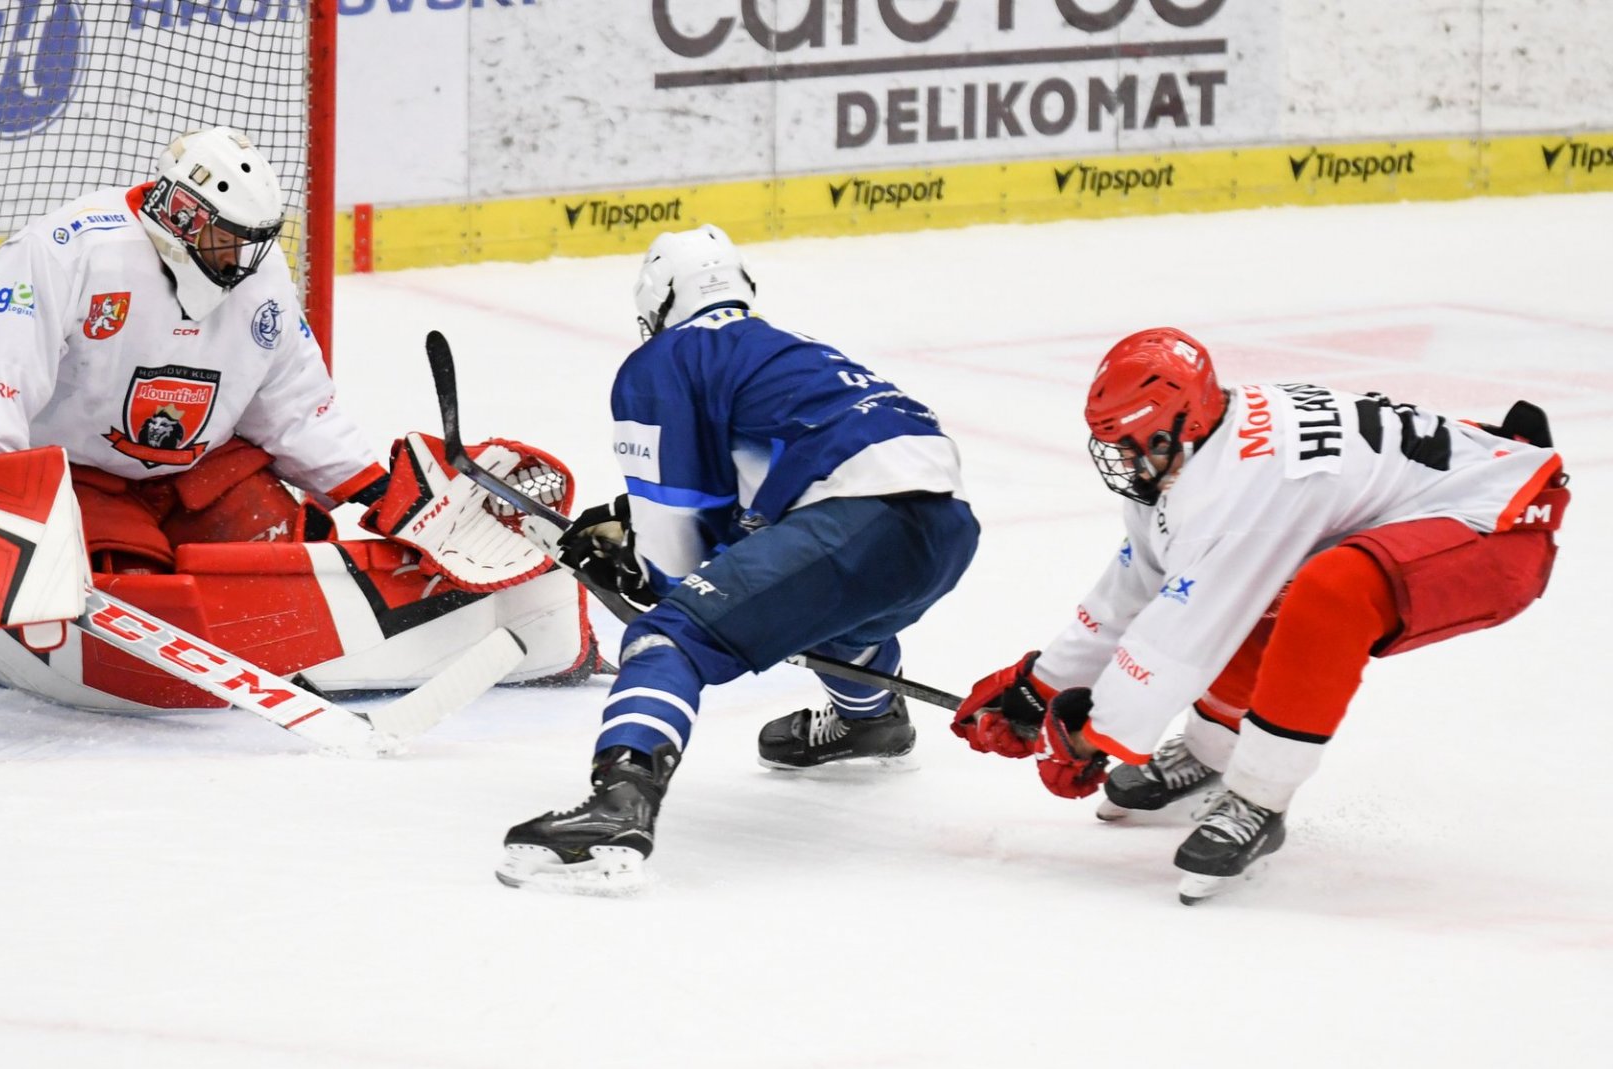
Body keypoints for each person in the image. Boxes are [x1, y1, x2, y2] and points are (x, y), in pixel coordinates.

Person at [0, 126, 602, 705]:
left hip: (202, 473)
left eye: (255, 240)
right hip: (83, 479)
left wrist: (373, 488)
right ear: (182, 216)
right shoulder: (69, 251)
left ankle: (309, 644)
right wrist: (8, 508)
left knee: (289, 557)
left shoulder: (260, 274)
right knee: (129, 589)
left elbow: (293, 402)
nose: (246, 257)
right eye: (230, 237)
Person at [954, 327, 1567, 903]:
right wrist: (1037, 688)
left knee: (1331, 591)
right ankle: (1210, 752)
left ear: (1184, 424)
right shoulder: (1193, 455)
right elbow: (1132, 588)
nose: (1126, 461)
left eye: (1139, 445)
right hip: (1432, 501)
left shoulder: (1242, 489)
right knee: (1265, 583)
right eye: (1117, 446)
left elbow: (1178, 641)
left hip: (1502, 526)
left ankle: (1259, 799)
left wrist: (1089, 738)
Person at [500, 224, 980, 892]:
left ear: (659, 299)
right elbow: (763, 490)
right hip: (945, 528)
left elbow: (678, 540)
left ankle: (619, 804)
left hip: (854, 521)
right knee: (824, 613)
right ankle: (870, 720)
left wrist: (649, 574)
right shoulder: (789, 347)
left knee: (670, 637)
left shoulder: (666, 357)